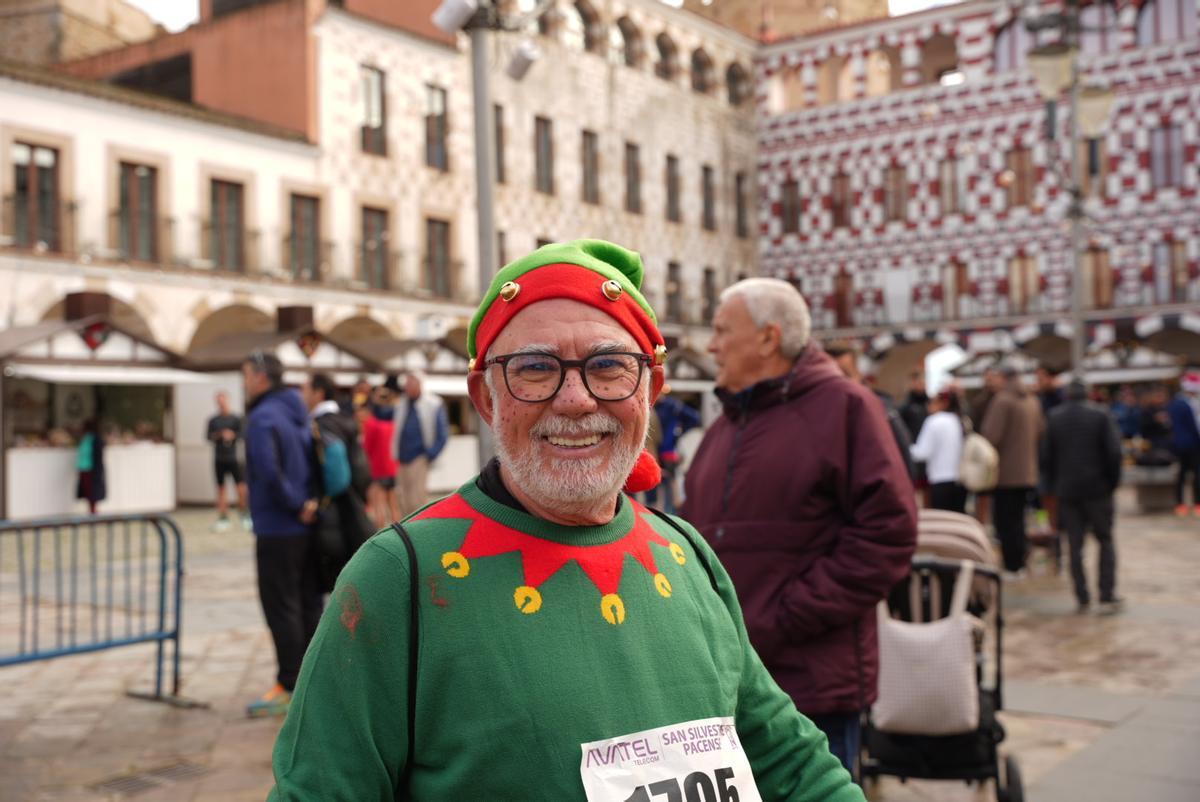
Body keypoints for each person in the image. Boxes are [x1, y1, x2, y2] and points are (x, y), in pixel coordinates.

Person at [269, 240, 866, 801]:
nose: (576, 399)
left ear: (650, 389)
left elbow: (787, 761)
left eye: (608, 365)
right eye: (534, 368)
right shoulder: (397, 576)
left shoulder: (687, 553)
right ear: (486, 398)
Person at [683, 278, 918, 780]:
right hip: (729, 683)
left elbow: (888, 533)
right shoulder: (727, 422)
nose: (711, 345)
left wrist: (784, 615)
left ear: (768, 338)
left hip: (811, 684)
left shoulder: (845, 407)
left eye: (723, 330)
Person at [242, 351, 320, 718]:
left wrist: (291, 503)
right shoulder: (297, 413)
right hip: (305, 522)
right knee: (306, 602)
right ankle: (312, 679)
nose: (244, 383)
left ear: (260, 378)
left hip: (277, 524)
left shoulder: (262, 418)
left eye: (246, 375)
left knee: (280, 605)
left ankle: (290, 683)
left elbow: (268, 472)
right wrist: (306, 504)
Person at [1042, 378, 1124, 614]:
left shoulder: (1055, 417)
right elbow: (1114, 453)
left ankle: (1082, 595)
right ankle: (1106, 594)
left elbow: (1046, 457)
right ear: (1087, 394)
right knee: (1105, 540)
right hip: (1098, 489)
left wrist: (1053, 486)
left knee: (1074, 545)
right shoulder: (1100, 415)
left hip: (1068, 490)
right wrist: (1111, 483)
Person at [302, 372, 374, 591]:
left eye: (305, 389)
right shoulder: (345, 419)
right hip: (354, 505)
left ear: (318, 393)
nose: (301, 395)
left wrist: (322, 499)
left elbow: (337, 475)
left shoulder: (321, 425)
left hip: (333, 511)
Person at [981, 367, 1045, 576]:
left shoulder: (1003, 400)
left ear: (1003, 378)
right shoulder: (1031, 400)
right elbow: (1040, 431)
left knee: (1006, 521)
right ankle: (1021, 562)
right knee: (1019, 519)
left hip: (1006, 473)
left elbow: (991, 436)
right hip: (1028, 471)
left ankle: (1012, 566)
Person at [825, 339, 916, 479]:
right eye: (832, 377)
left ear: (858, 374)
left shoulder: (880, 407)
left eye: (845, 375)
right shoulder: (821, 411)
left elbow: (902, 454)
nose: (840, 383)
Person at [392, 371, 449, 516]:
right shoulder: (401, 403)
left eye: (410, 383)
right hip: (402, 457)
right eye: (406, 384)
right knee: (403, 498)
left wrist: (429, 454)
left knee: (417, 499)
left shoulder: (433, 403)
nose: (406, 387)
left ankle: (418, 531)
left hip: (419, 456)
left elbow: (442, 434)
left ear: (419, 384)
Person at [911, 389, 967, 513]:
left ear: (944, 403)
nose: (929, 405)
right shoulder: (959, 420)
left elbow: (922, 452)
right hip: (960, 479)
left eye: (933, 401)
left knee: (944, 522)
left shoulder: (933, 421)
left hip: (940, 479)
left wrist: (905, 448)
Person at [647, 395, 701, 513]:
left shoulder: (672, 406)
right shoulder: (652, 407)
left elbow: (694, 418)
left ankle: (670, 513)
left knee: (669, 483)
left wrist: (678, 434)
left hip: (667, 452)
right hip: (655, 451)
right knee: (654, 483)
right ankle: (655, 510)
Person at [206, 391, 250, 532]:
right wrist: (219, 435)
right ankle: (223, 518)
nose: (221, 403)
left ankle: (244, 514)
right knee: (221, 489)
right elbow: (208, 437)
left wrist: (232, 435)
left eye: (223, 400)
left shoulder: (236, 419)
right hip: (219, 459)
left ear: (228, 401)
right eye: (218, 401)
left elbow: (243, 434)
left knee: (241, 488)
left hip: (235, 459)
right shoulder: (213, 420)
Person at [361, 383, 401, 527]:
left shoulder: (372, 424)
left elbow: (367, 447)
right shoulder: (394, 423)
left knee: (379, 506)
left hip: (378, 469)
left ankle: (380, 534)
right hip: (392, 468)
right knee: (393, 505)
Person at [1167, 371, 1200, 516]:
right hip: (1192, 444)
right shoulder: (1188, 404)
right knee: (1194, 475)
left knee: (1182, 475)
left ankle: (1181, 504)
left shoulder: (1175, 403)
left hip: (1180, 444)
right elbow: (1194, 426)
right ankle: (1195, 503)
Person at [76, 418, 106, 515]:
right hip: (84, 467)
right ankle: (91, 509)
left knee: (92, 490)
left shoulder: (96, 439)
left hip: (91, 469)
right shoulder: (86, 438)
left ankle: (93, 510)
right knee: (87, 490)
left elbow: (98, 455)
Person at [899, 370, 929, 443]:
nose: (921, 385)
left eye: (922, 382)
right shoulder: (905, 406)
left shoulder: (929, 403)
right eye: (918, 382)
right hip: (914, 444)